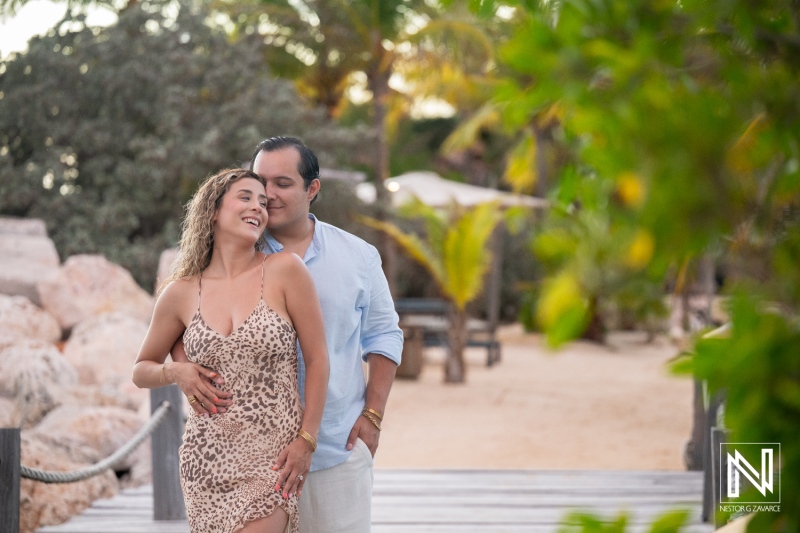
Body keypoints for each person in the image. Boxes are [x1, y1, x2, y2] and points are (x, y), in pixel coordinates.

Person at [171, 137, 403, 532]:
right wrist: (186, 370)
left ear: (312, 189)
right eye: (260, 183)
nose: (268, 195)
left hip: (334, 449)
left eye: (282, 183)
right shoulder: (231, 247)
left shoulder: (359, 256)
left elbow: (384, 335)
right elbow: (181, 318)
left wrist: (373, 416)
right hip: (244, 458)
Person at [133, 168, 329, 533]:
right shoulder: (180, 292)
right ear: (212, 210)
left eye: (263, 202)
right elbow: (141, 368)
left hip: (271, 459)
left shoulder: (286, 270)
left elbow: (318, 359)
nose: (258, 206)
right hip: (205, 460)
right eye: (246, 197)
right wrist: (176, 372)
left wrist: (307, 440)